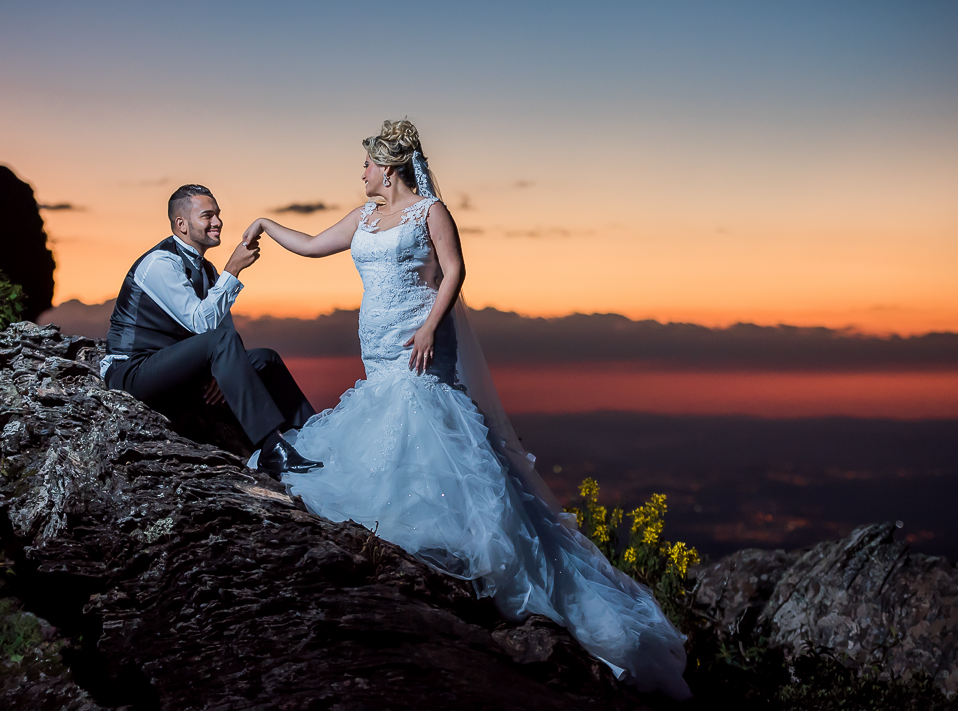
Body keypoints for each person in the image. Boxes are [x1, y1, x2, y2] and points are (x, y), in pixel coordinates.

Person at [240, 121, 691, 699]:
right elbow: (307, 245)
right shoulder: (361, 218)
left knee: (427, 420)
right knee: (387, 420)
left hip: (420, 338)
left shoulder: (430, 211)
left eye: (367, 165)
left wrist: (430, 326)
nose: (361, 174)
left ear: (391, 167)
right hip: (377, 343)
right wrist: (260, 225)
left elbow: (454, 271)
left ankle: (477, 550)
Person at [101, 184, 323, 479]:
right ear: (181, 224)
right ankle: (272, 449)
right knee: (221, 341)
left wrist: (224, 368)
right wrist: (233, 269)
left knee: (265, 360)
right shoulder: (160, 263)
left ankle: (317, 438)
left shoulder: (207, 271)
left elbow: (224, 331)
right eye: (207, 216)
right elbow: (203, 325)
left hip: (176, 375)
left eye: (218, 214)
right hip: (132, 373)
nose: (217, 222)